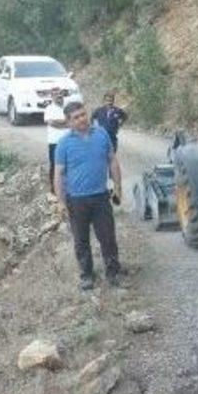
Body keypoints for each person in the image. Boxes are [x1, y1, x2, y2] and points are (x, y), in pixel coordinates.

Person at [54, 100, 124, 291]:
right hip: (76, 200)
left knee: (108, 237)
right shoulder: (64, 144)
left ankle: (113, 273)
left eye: (83, 114)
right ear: (69, 122)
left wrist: (117, 186)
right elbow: (58, 174)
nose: (82, 119)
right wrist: (60, 202)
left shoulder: (101, 134)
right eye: (76, 117)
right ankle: (87, 275)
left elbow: (112, 161)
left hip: (101, 196)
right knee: (81, 240)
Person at [43, 86, 68, 194]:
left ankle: (67, 189)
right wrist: (65, 123)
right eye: (56, 95)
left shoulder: (67, 108)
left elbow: (71, 121)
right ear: (52, 96)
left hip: (68, 141)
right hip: (54, 142)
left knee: (68, 165)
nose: (59, 97)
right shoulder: (49, 109)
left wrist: (61, 122)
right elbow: (51, 123)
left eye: (60, 95)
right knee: (55, 165)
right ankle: (54, 190)